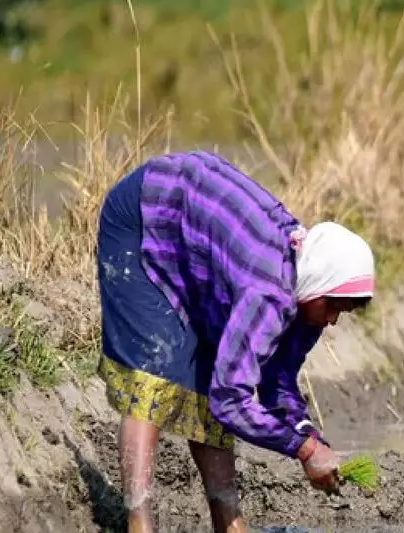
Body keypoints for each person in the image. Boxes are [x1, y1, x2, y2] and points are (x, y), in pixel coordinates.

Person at [96, 150, 376, 533]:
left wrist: (309, 436)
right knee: (153, 377)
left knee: (213, 368)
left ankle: (229, 522)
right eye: (333, 307)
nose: (332, 319)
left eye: (342, 312)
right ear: (320, 286)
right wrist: (304, 451)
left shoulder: (309, 294)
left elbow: (276, 382)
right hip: (145, 215)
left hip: (196, 248)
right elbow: (231, 401)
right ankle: (139, 521)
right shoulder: (269, 294)